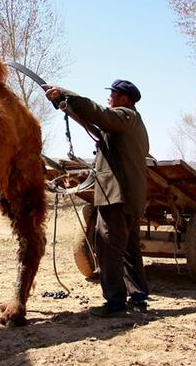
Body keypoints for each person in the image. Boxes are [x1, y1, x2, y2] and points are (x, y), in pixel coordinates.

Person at [45, 79, 150, 316]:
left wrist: (66, 94)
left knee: (108, 246)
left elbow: (97, 113)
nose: (109, 98)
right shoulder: (131, 123)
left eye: (112, 94)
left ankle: (114, 302)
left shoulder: (125, 116)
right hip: (131, 197)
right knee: (129, 248)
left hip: (117, 197)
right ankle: (139, 296)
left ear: (124, 99)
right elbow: (93, 122)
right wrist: (63, 102)